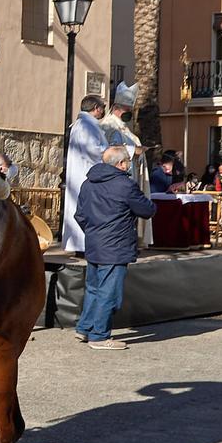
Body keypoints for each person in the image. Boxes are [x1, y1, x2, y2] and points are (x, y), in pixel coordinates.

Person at [73, 146, 157, 350]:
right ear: (120, 164)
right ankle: (99, 336)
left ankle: (85, 328)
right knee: (108, 293)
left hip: (94, 243)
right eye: (127, 160)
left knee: (93, 288)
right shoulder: (125, 185)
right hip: (116, 245)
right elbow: (146, 210)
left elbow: (80, 215)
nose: (129, 163)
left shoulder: (87, 183)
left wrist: (94, 232)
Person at [99, 83, 152, 247]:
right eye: (126, 109)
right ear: (116, 107)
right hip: (117, 179)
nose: (128, 113)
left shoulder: (125, 128)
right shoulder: (107, 125)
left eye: (130, 109)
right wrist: (133, 150)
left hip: (130, 175)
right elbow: (110, 150)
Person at [62, 95, 108, 253]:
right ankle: (83, 245)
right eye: (102, 107)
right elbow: (93, 151)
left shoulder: (83, 124)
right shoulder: (87, 126)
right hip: (86, 175)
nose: (103, 111)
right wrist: (113, 152)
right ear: (96, 108)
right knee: (86, 210)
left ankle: (81, 245)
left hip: (82, 174)